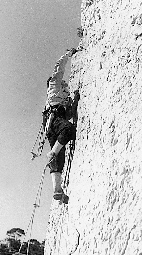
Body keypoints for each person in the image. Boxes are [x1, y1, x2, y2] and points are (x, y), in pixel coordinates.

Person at [42, 48, 80, 203]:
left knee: (59, 158)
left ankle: (58, 190)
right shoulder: (54, 85)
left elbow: (69, 114)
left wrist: (74, 101)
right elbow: (59, 67)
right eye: (63, 83)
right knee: (68, 129)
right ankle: (52, 153)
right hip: (54, 118)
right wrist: (68, 54)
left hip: (52, 123)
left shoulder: (63, 96)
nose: (65, 84)